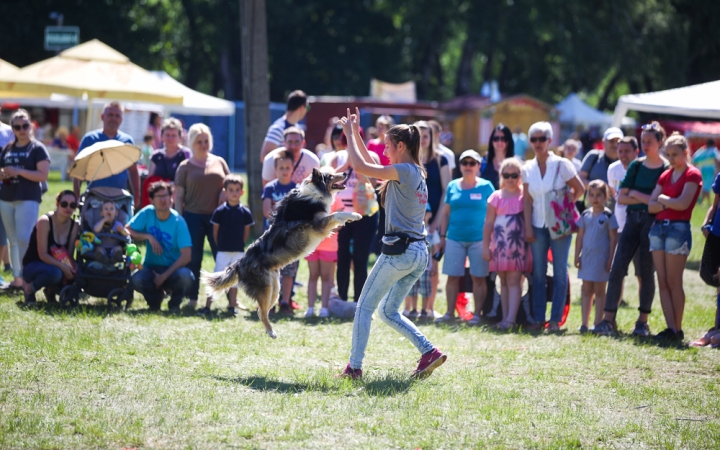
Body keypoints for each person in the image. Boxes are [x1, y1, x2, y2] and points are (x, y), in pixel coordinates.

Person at [336, 109, 447, 380]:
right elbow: (369, 165)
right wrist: (357, 135)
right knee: (387, 311)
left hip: (400, 251)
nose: (384, 151)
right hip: (419, 253)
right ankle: (428, 352)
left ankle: (354, 368)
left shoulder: (404, 171)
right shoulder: (415, 172)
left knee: (363, 308)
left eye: (387, 146)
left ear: (401, 146)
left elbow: (361, 167)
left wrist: (351, 134)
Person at [594, 122, 670, 336]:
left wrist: (636, 195)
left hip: (652, 223)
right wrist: (646, 198)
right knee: (617, 268)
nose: (646, 145)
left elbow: (660, 203)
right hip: (630, 221)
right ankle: (608, 320)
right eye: (643, 141)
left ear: (659, 142)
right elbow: (621, 196)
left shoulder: (665, 169)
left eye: (649, 141)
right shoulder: (636, 166)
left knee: (646, 272)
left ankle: (642, 322)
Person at [522, 121, 585, 331]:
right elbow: (527, 200)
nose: (538, 143)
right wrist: (528, 227)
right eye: (534, 139)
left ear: (550, 140)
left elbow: (579, 188)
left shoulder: (561, 164)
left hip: (559, 227)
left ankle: (556, 320)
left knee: (559, 272)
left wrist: (566, 208)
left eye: (542, 139)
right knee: (538, 273)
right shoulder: (527, 167)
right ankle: (539, 318)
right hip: (537, 225)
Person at [647, 133, 701, 341]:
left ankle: (678, 328)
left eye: (675, 154)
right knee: (662, 280)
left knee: (674, 281)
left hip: (678, 229)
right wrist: (667, 201)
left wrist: (662, 199)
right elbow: (651, 206)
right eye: (668, 154)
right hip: (658, 228)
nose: (670, 159)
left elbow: (683, 204)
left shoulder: (692, 174)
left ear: (686, 153)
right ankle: (671, 328)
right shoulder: (665, 175)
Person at [174, 123, 230, 309]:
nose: (203, 144)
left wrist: (225, 195)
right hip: (192, 217)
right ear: (191, 143)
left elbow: (231, 185)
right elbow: (179, 195)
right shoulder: (184, 167)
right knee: (194, 258)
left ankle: (231, 299)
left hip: (217, 218)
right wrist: (179, 220)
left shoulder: (219, 162)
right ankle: (192, 298)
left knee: (222, 258)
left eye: (206, 141)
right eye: (199, 141)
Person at [436, 149, 494, 324]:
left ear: (478, 166)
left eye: (472, 163)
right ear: (460, 166)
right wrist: (442, 237)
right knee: (452, 276)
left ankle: (477, 314)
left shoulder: (486, 186)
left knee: (478, 277)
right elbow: (445, 214)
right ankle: (449, 313)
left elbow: (494, 213)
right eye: (465, 163)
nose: (468, 166)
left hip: (479, 239)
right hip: (454, 237)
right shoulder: (453, 186)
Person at [0, 109, 51, 291]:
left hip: (28, 197)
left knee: (24, 239)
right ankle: (17, 280)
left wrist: (19, 171)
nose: (22, 130)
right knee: (12, 240)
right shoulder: (7, 148)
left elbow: (43, 174)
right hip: (6, 197)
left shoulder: (37, 148)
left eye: (25, 126)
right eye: (17, 127)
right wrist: (3, 173)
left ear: (30, 126)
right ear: (12, 129)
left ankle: (27, 277)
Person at [127, 181, 193, 312]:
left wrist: (164, 276)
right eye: (159, 196)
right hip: (151, 268)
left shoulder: (178, 222)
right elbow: (126, 230)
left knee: (187, 276)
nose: (163, 200)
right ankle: (155, 302)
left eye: (166, 196)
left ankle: (174, 305)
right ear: (151, 200)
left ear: (171, 198)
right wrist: (148, 237)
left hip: (173, 269)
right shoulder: (147, 213)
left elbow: (187, 256)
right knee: (136, 279)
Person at [482, 158, 532, 330]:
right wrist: (486, 246)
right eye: (506, 175)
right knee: (502, 281)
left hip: (517, 246)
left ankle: (511, 319)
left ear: (520, 176)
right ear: (501, 175)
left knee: (514, 280)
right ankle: (505, 318)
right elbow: (488, 223)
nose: (510, 178)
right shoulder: (495, 197)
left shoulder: (524, 196)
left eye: (514, 175)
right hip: (500, 246)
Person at [332, 128, 380, 303]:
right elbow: (329, 180)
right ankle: (342, 298)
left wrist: (360, 169)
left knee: (361, 258)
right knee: (342, 256)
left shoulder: (371, 157)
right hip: (343, 215)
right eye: (348, 139)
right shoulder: (339, 157)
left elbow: (374, 183)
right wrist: (346, 166)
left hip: (365, 215)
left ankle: (360, 301)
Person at [198, 175, 254, 316]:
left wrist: (239, 244)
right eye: (231, 190)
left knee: (235, 279)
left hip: (238, 252)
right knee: (217, 278)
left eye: (237, 190)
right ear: (225, 192)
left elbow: (246, 233)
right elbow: (215, 232)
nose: (234, 193)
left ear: (242, 192)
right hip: (223, 251)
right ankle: (207, 306)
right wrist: (220, 246)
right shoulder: (219, 212)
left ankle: (231, 306)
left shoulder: (245, 212)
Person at [72, 102, 140, 210]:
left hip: (119, 197)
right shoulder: (90, 139)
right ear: (102, 116)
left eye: (117, 115)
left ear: (121, 119)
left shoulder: (127, 141)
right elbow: (78, 169)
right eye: (110, 114)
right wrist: (76, 195)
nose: (113, 118)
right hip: (94, 195)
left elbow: (133, 171)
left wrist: (137, 195)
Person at [415, 121, 450, 316]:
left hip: (436, 218)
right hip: (414, 220)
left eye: (426, 136)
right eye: (419, 136)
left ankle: (428, 308)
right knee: (412, 264)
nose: (422, 140)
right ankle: (410, 306)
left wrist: (437, 220)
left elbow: (446, 190)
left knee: (433, 265)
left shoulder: (441, 160)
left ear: (432, 137)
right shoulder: (410, 160)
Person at [22, 190, 80, 306]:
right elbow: (42, 254)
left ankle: (51, 289)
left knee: (77, 269)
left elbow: (68, 256)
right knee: (56, 273)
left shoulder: (74, 226)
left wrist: (72, 268)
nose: (68, 208)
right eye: (64, 204)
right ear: (57, 204)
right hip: (33, 265)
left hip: (56, 266)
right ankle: (29, 289)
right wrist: (63, 267)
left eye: (72, 205)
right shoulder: (45, 221)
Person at [574, 180, 618, 332]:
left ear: (606, 196)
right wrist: (576, 255)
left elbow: (613, 239)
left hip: (602, 259)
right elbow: (579, 237)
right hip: (587, 258)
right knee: (586, 290)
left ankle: (598, 322)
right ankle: (584, 324)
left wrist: (610, 259)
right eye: (591, 195)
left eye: (598, 195)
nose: (594, 198)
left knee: (600, 291)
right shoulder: (585, 215)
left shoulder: (608, 216)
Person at [262, 150, 299, 313]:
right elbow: (266, 211)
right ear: (275, 170)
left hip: (291, 240)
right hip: (273, 239)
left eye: (287, 168)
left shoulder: (297, 189)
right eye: (281, 168)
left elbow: (299, 213)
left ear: (292, 169)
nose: (284, 171)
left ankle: (285, 301)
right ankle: (269, 301)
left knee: (288, 272)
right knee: (270, 270)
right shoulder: (270, 187)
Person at [606, 137, 641, 306]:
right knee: (617, 271)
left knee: (642, 273)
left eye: (627, 151)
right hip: (620, 225)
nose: (623, 155)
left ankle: (643, 319)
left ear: (636, 152)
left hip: (640, 225)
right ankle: (611, 315)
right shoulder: (613, 169)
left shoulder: (642, 169)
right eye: (620, 151)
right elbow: (615, 194)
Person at [305, 168, 344, 318]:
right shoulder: (312, 199)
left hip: (329, 245)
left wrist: (325, 225)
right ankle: (310, 308)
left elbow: (340, 224)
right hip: (313, 244)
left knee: (327, 277)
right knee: (313, 275)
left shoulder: (336, 199)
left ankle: (324, 308)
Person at [693, 171, 720, 347]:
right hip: (717, 233)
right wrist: (706, 223)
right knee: (716, 280)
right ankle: (717, 327)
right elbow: (714, 205)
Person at [578, 127, 622, 210]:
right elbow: (580, 179)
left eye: (618, 141)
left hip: (618, 217)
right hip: (592, 215)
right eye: (611, 141)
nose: (615, 144)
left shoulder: (627, 163)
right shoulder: (593, 156)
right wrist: (601, 188)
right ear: (603, 142)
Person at [259, 90, 309, 162]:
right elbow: (264, 157)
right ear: (301, 108)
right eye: (307, 108)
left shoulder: (297, 128)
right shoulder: (278, 128)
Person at [482, 124, 515, 190]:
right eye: (496, 139)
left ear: (509, 141)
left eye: (503, 139)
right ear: (491, 141)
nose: (499, 142)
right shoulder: (483, 162)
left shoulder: (516, 164)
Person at [692, 139, 719, 205]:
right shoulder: (713, 151)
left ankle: (708, 202)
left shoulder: (703, 151)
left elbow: (694, 159)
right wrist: (718, 168)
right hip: (710, 171)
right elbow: (717, 160)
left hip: (702, 170)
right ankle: (701, 201)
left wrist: (696, 167)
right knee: (706, 186)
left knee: (706, 186)